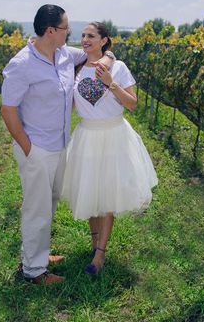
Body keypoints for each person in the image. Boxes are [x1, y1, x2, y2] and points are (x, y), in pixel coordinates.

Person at [0, 5, 115, 285]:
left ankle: (38, 254)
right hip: (37, 149)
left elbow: (98, 53)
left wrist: (109, 57)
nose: (71, 34)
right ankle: (33, 273)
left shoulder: (65, 54)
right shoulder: (22, 64)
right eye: (67, 29)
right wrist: (29, 149)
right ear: (51, 31)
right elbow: (8, 110)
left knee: (48, 205)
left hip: (59, 145)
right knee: (35, 209)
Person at [61, 21, 158, 275]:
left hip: (113, 135)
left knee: (107, 194)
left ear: (104, 40)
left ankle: (100, 256)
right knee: (89, 191)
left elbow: (133, 104)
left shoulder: (118, 67)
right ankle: (94, 244)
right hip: (87, 135)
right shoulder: (78, 67)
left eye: (91, 35)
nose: (85, 39)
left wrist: (110, 82)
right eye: (82, 35)